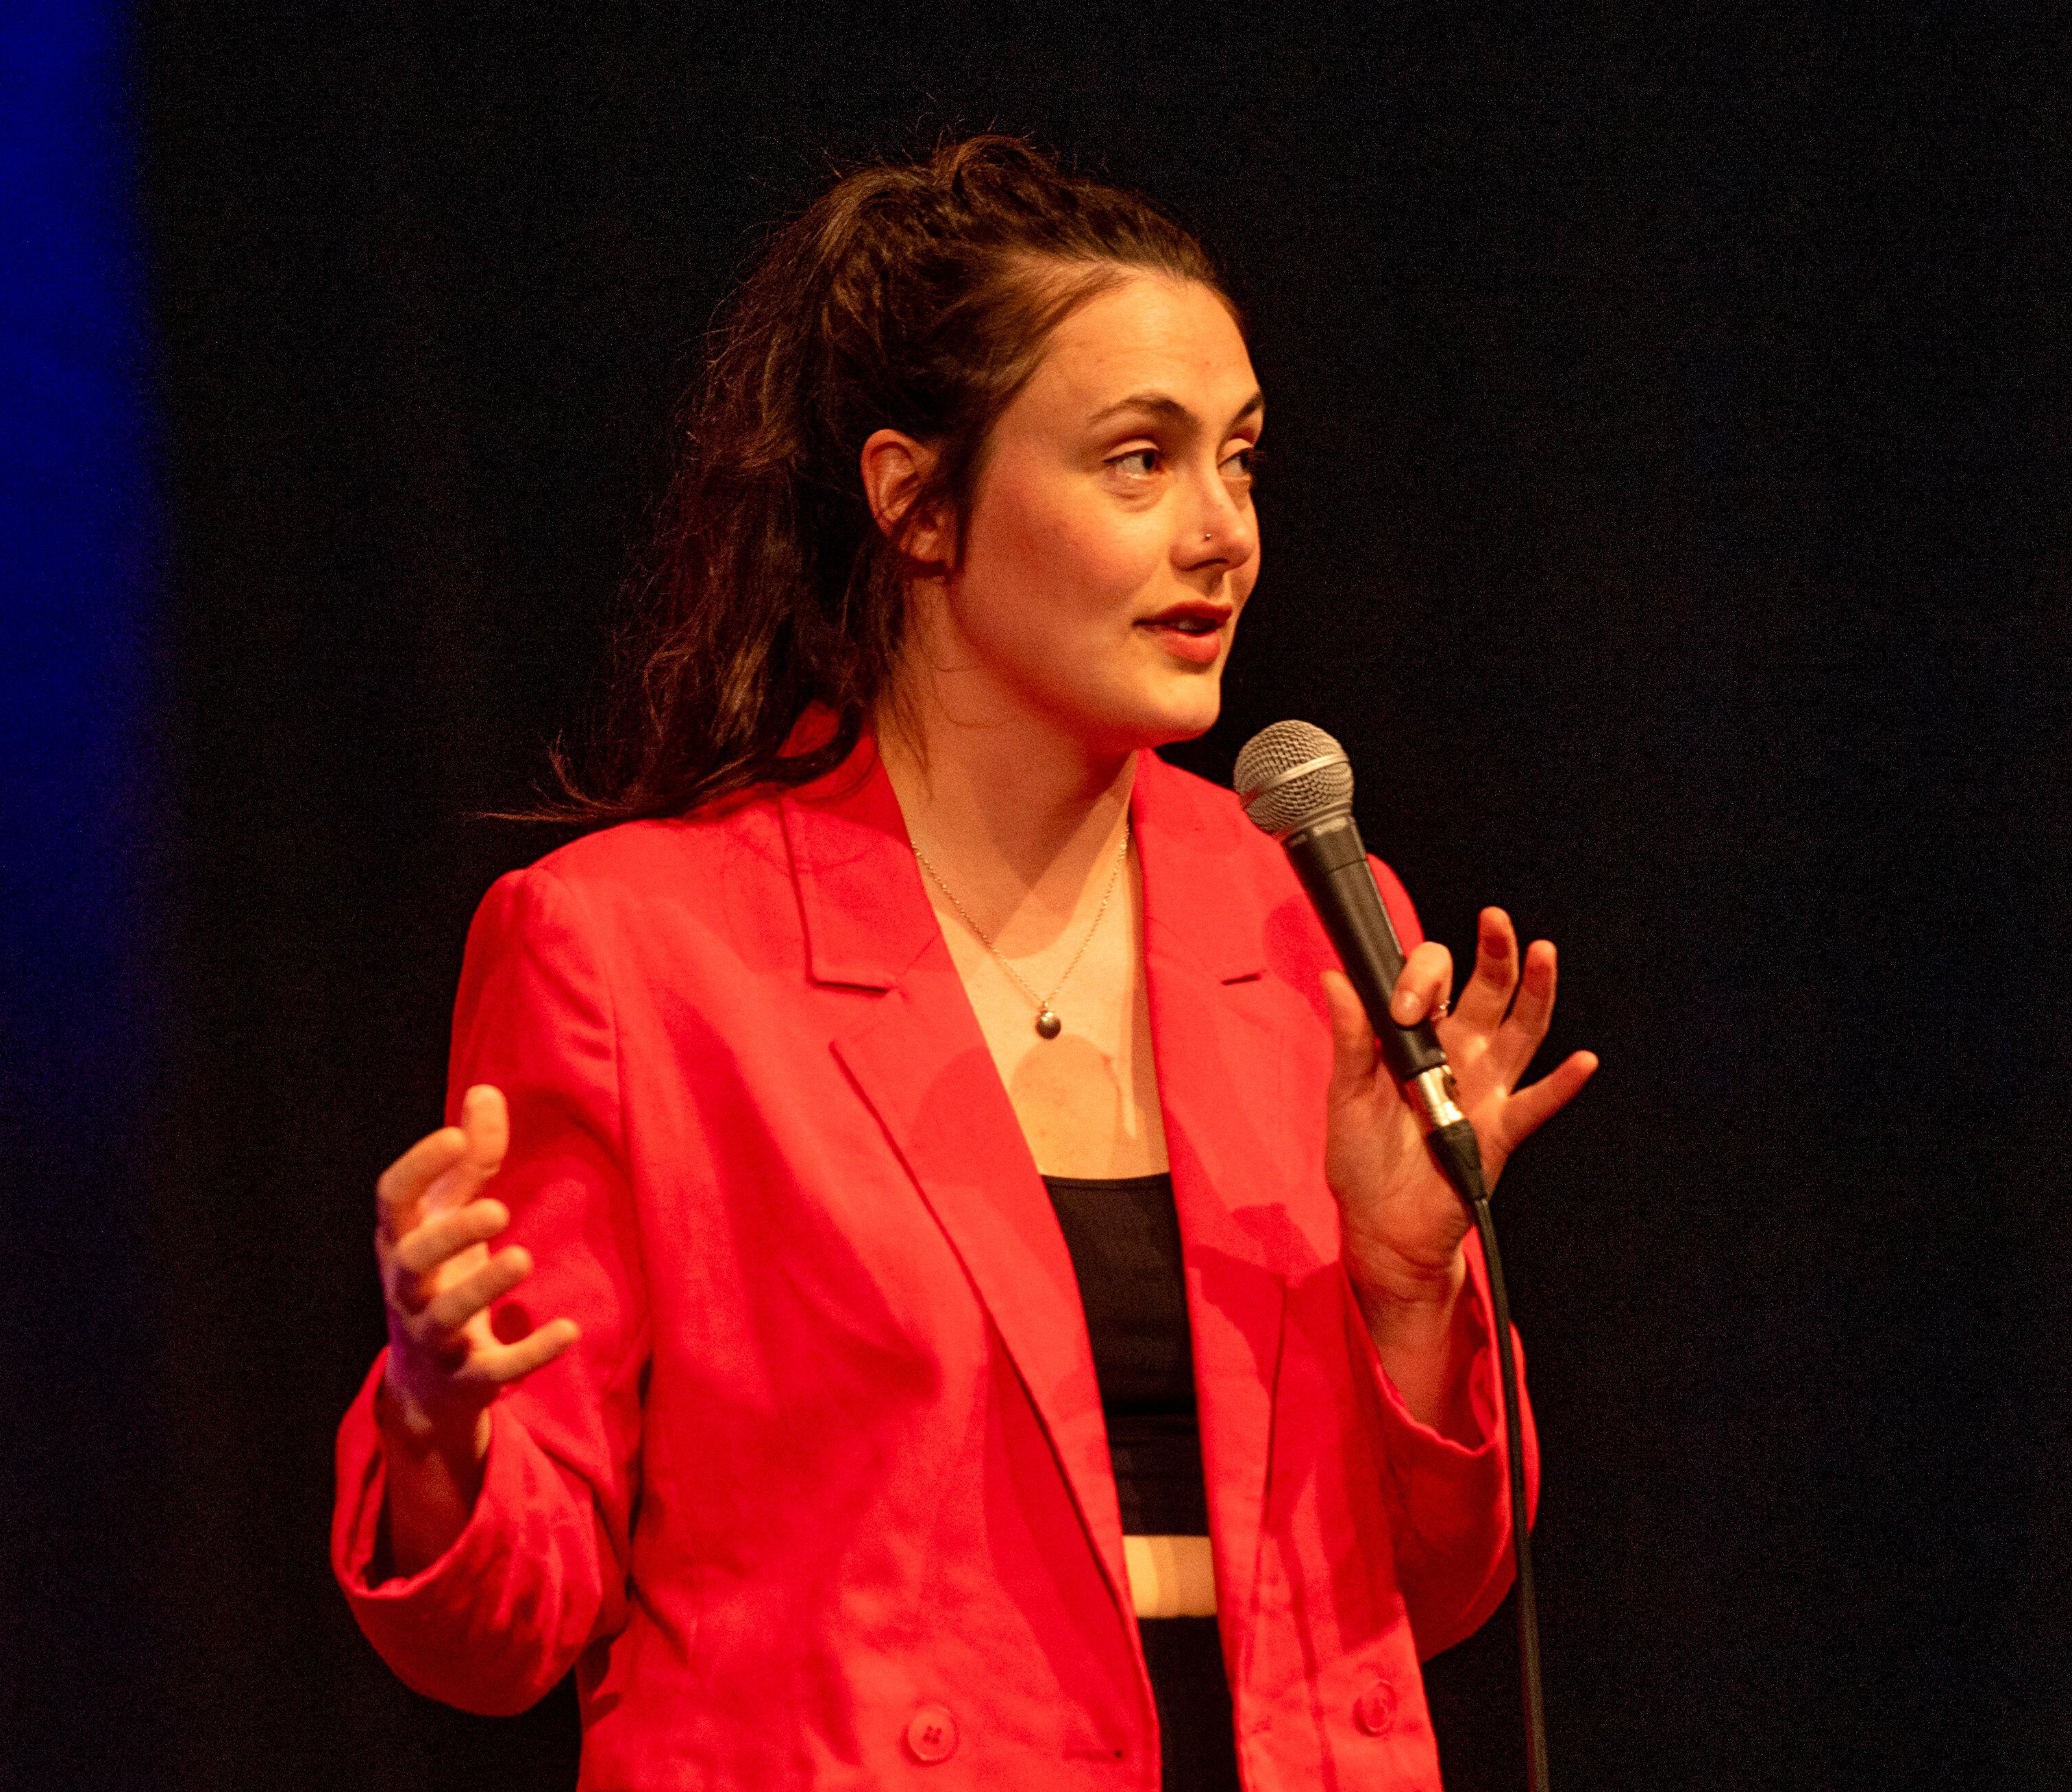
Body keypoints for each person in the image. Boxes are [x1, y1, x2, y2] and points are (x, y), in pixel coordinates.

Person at [332, 136, 1596, 1789]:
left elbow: (1438, 1587)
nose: (1221, 534)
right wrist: (440, 1418)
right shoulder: (635, 951)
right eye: (1136, 463)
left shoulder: (1293, 916)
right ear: (913, 500)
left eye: (1240, 461)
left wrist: (1406, 1283)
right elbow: (502, 1627)